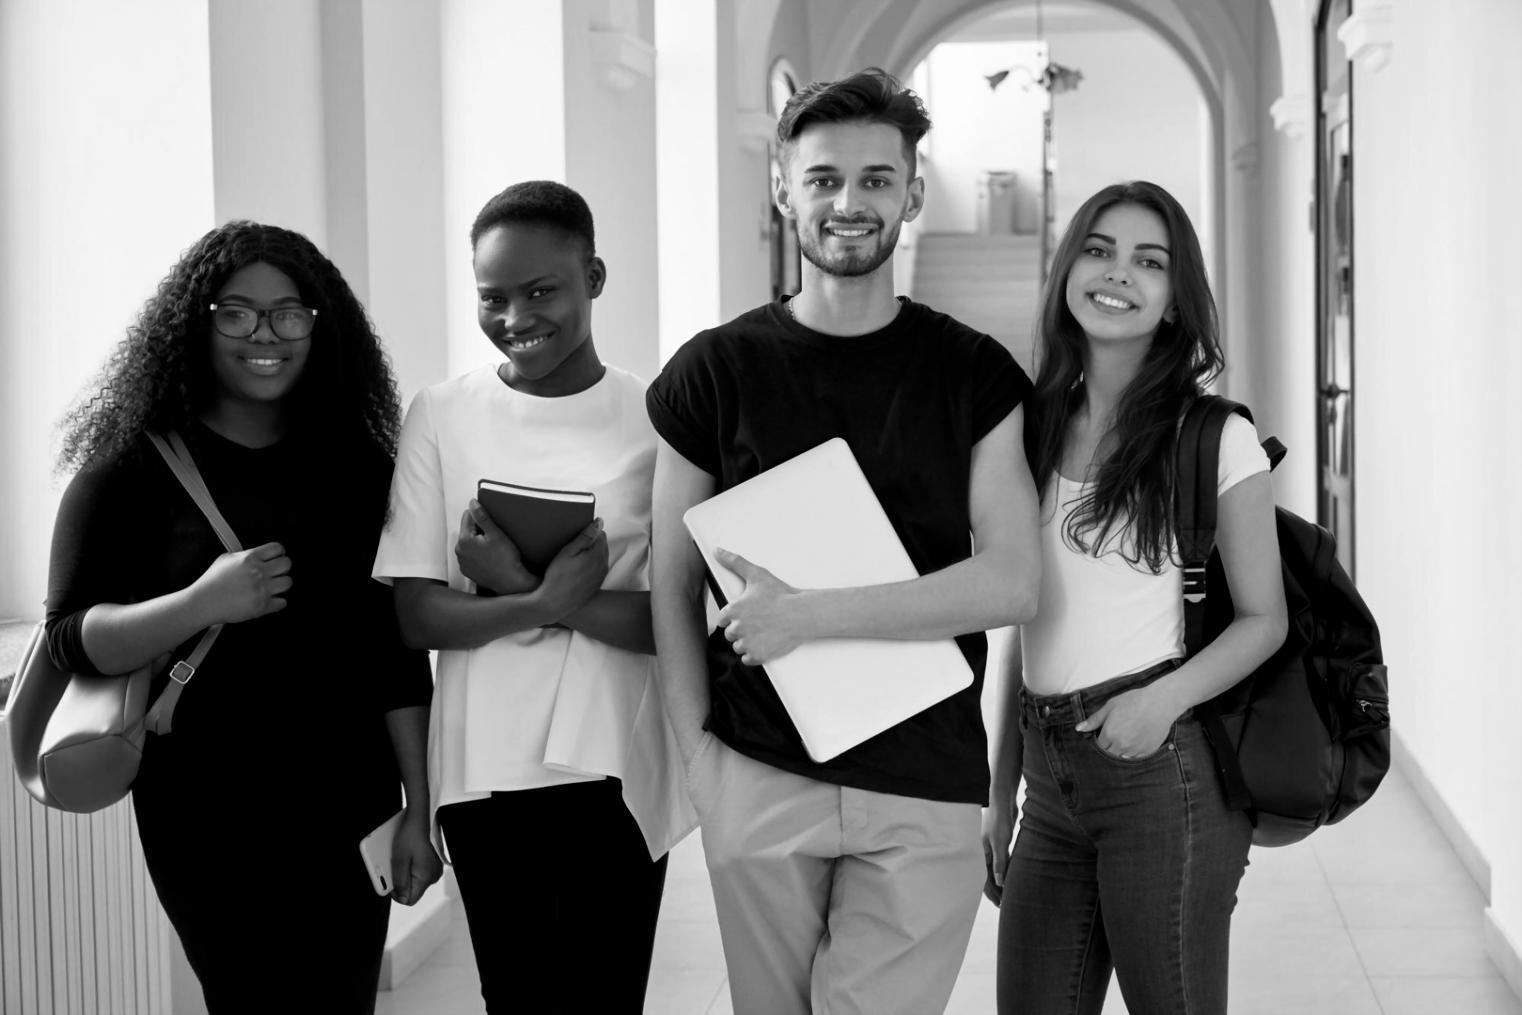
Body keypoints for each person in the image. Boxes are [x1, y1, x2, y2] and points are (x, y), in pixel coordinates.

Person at [646, 68, 1041, 1015]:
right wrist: (703, 763)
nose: (849, 202)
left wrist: (807, 617)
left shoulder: (973, 373)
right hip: (760, 770)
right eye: (824, 179)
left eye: (875, 179)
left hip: (925, 781)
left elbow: (1015, 581)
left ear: (911, 191)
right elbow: (667, 580)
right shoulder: (713, 372)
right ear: (784, 189)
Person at [44, 221, 439, 1013]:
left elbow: (391, 651)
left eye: (290, 313)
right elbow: (68, 639)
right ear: (200, 321)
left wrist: (419, 809)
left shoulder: (359, 466)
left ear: (319, 327)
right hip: (204, 804)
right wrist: (201, 603)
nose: (266, 334)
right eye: (238, 312)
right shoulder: (131, 467)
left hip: (347, 795)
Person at [373, 180, 691, 1014]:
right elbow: (416, 613)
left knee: (604, 996)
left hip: (617, 763)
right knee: (515, 996)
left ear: (595, 275)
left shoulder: (657, 419)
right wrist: (543, 595)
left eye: (542, 289)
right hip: (485, 769)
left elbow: (675, 621)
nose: (516, 315)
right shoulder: (441, 415)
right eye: (493, 297)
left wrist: (520, 587)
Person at [982, 180, 1288, 1015]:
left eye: (1149, 261)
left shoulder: (1213, 436)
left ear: (1174, 297)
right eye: (1099, 248)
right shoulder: (1028, 425)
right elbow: (1024, 606)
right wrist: (999, 781)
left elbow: (1266, 619)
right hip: (1047, 782)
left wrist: (1162, 702)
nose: (1118, 273)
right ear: (1068, 268)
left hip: (1164, 771)